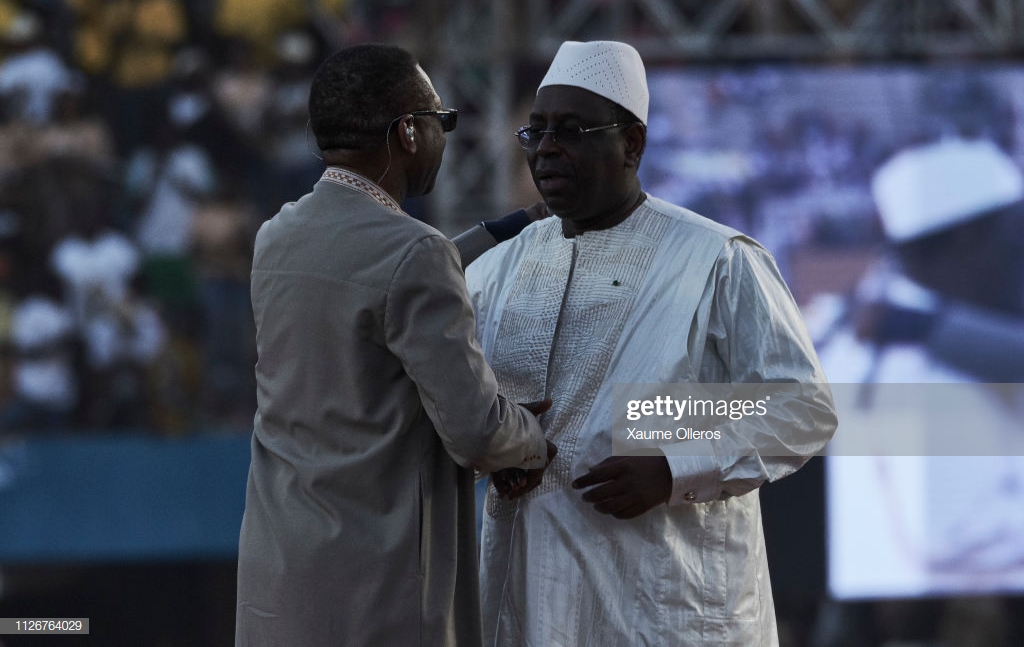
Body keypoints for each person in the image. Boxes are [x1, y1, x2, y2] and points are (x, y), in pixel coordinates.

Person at [464, 40, 837, 646]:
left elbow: (800, 407)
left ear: (632, 143)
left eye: (572, 129)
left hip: (670, 607)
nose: (548, 147)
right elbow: (451, 405)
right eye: (536, 133)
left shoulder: (715, 259)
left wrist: (672, 468)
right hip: (530, 603)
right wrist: (491, 445)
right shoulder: (496, 270)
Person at [234, 44, 553, 646]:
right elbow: (478, 430)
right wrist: (532, 445)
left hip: (280, 582)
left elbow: (371, 279)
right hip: (378, 592)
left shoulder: (277, 236)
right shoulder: (415, 256)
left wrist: (500, 231)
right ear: (408, 132)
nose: (444, 138)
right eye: (443, 121)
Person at [813, 137, 1024, 643]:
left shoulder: (885, 318)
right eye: (1014, 234)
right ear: (967, 238)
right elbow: (950, 543)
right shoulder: (916, 366)